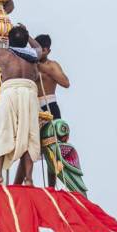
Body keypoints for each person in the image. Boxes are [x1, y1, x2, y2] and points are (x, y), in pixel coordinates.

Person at [0, 24, 42, 185]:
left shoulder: (3, 53)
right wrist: (28, 34)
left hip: (10, 92)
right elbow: (38, 47)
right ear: (26, 41)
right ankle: (29, 178)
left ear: (8, 41)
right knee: (30, 134)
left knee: (3, 132)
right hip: (30, 93)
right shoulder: (32, 54)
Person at [35, 34, 71, 187]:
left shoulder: (52, 64)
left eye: (39, 49)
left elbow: (65, 82)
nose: (36, 52)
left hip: (50, 106)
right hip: (33, 107)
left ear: (47, 50)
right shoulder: (29, 61)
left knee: (52, 149)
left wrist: (45, 69)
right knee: (29, 147)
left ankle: (51, 187)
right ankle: (25, 183)